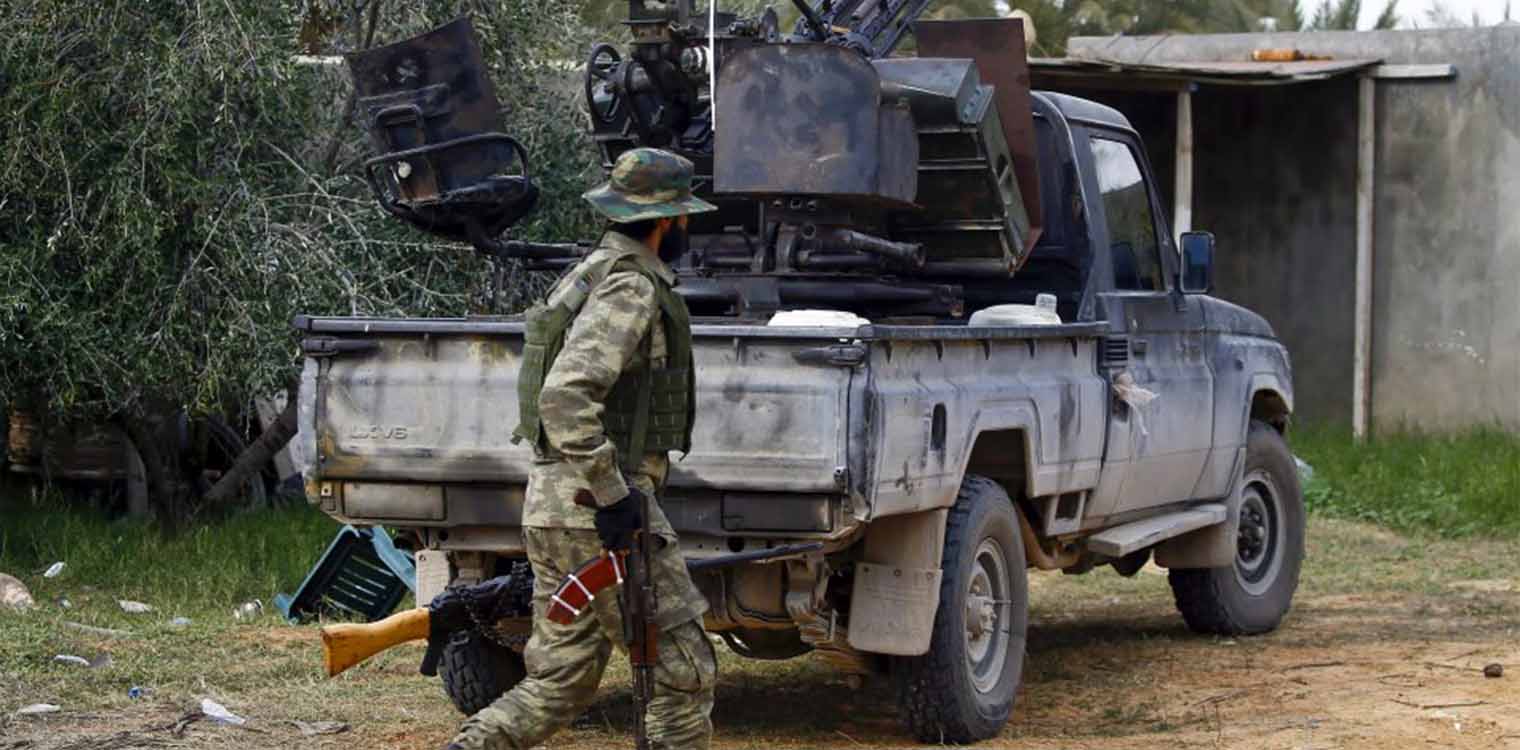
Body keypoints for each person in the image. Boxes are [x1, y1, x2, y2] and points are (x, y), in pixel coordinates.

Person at [448, 148, 718, 750]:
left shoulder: (589, 272)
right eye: (683, 217)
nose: (685, 228)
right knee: (684, 674)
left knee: (559, 681)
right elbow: (565, 396)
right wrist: (614, 495)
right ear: (666, 221)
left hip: (554, 508)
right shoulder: (630, 286)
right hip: (598, 513)